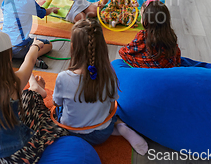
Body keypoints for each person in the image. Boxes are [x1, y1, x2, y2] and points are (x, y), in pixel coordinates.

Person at [0, 31, 68, 164]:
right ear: (8, 57)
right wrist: (35, 45)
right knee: (30, 98)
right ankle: (35, 87)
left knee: (23, 98)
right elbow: (30, 60)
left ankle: (34, 86)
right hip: (11, 157)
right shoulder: (12, 83)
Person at [52, 19, 148, 155]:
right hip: (101, 135)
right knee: (113, 113)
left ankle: (116, 127)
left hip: (69, 132)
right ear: (103, 47)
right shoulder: (109, 74)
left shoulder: (63, 77)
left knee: (60, 109)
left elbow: (56, 103)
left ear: (72, 47)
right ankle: (120, 127)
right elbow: (111, 105)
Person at [1, 0, 58, 69]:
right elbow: (43, 13)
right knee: (48, 45)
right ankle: (30, 57)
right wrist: (52, 9)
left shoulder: (5, 2)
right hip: (20, 48)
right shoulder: (29, 3)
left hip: (5, 48)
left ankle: (10, 58)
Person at [119, 0, 181, 68]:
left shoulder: (143, 35)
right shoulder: (170, 34)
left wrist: (122, 50)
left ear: (146, 20)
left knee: (118, 60)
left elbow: (126, 51)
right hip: (166, 69)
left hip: (148, 69)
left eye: (141, 15)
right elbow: (177, 54)